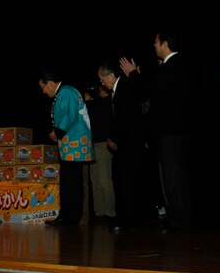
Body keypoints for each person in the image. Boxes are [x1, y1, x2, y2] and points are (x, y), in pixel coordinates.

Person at [120, 31, 195, 232]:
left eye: (155, 42)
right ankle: (179, 218)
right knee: (176, 176)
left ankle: (179, 221)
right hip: (175, 131)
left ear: (164, 44)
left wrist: (133, 74)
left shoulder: (174, 64)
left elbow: (152, 90)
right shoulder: (177, 65)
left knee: (173, 177)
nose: (153, 46)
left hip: (171, 132)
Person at [39, 70, 95, 226]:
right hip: (70, 146)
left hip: (74, 146)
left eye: (43, 87)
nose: (43, 91)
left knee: (72, 183)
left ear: (49, 83)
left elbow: (70, 115)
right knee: (69, 182)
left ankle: (70, 218)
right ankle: (68, 216)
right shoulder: (64, 92)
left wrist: (57, 132)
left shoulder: (67, 91)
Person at [98, 62, 146, 231]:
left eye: (102, 79)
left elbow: (123, 118)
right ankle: (126, 218)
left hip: (129, 145)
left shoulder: (123, 89)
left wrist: (114, 138)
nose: (102, 83)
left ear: (111, 76)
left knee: (127, 182)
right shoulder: (119, 90)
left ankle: (128, 219)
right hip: (127, 144)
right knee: (122, 181)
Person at [84, 84, 116, 223]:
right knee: (95, 181)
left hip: (103, 144)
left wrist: (89, 101)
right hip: (93, 144)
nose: (100, 87)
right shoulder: (97, 102)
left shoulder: (109, 101)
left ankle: (109, 212)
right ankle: (99, 212)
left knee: (104, 180)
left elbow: (99, 114)